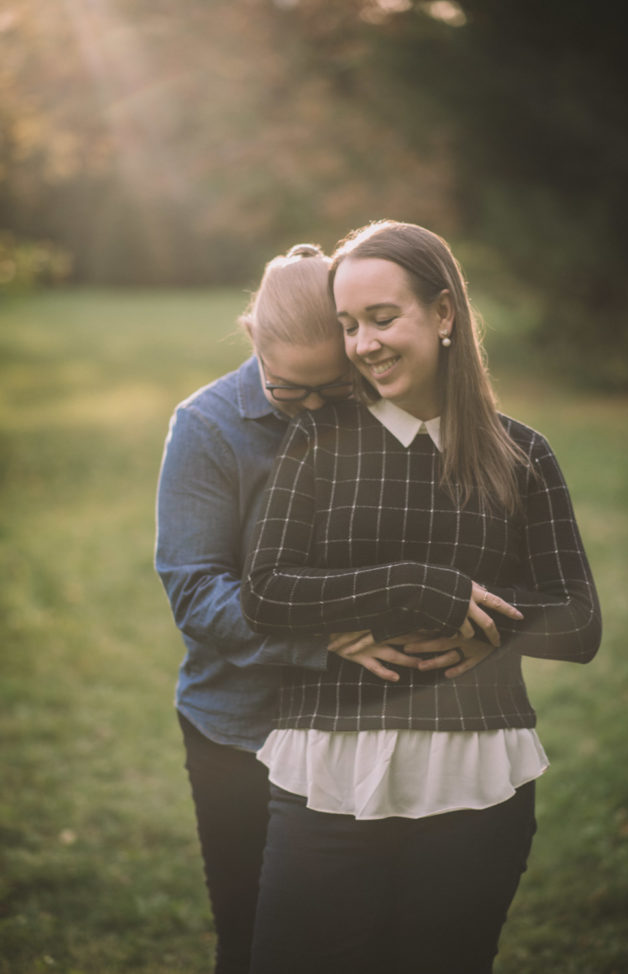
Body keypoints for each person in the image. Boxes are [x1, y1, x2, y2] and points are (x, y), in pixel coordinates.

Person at [241, 221, 602, 974]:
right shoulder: (318, 441)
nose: (363, 344)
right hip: (326, 773)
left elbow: (580, 619)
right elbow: (266, 593)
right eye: (348, 327)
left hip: (474, 782)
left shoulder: (521, 453)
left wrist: (496, 629)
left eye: (381, 319)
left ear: (443, 315)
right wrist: (416, 587)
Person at [154, 242, 490, 974]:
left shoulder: (386, 410)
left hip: (364, 725)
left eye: (328, 393)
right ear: (254, 342)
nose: (311, 411)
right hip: (243, 727)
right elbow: (195, 591)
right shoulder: (208, 427)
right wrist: (327, 634)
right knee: (255, 942)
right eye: (287, 394)